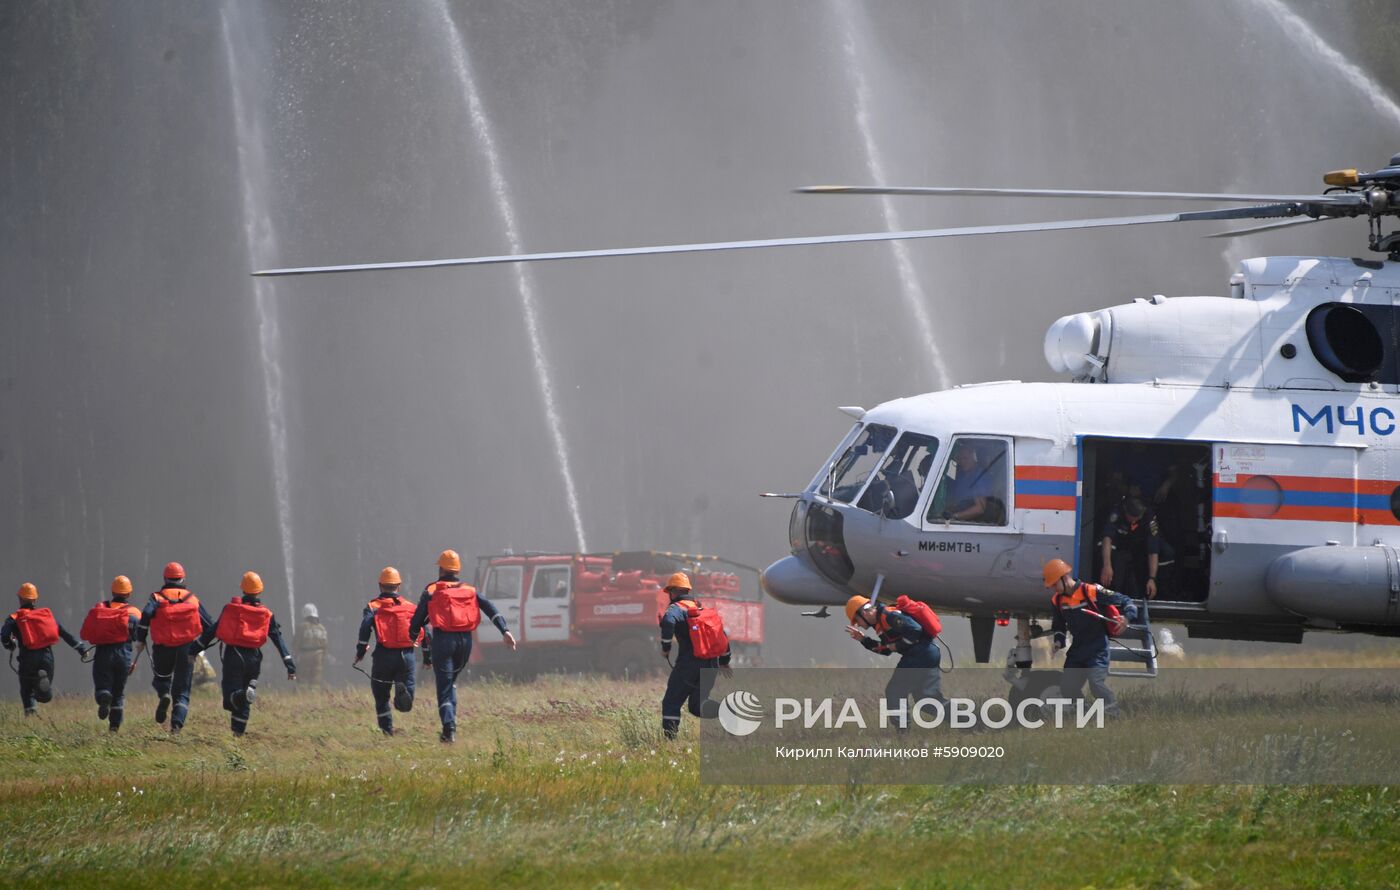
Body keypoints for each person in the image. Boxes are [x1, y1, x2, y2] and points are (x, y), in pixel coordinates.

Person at [408, 550, 516, 743]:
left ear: (441, 569)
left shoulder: (432, 591)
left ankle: (448, 729)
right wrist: (505, 630)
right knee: (451, 683)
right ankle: (452, 724)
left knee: (444, 687)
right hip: (465, 643)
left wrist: (413, 636)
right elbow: (490, 607)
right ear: (457, 569)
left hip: (443, 642)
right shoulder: (470, 590)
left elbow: (417, 621)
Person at [192, 571, 295, 736]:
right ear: (260, 590)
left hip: (234, 655)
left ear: (243, 589)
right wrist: (289, 664)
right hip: (255, 659)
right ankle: (237, 736)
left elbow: (211, 632)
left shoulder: (232, 609)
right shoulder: (267, 614)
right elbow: (278, 639)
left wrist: (193, 650)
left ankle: (241, 697)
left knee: (230, 698)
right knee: (246, 699)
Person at [1044, 558, 1138, 718]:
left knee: (1096, 685)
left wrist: (1127, 617)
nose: (1053, 588)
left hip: (1097, 648)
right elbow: (1059, 625)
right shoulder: (1057, 600)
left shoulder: (1091, 591)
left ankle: (1115, 714)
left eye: (1054, 584)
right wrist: (1058, 642)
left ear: (1065, 578)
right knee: (1068, 687)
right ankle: (1086, 711)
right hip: (1078, 650)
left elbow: (1125, 600)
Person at [132, 562, 215, 734]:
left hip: (162, 648)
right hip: (187, 650)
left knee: (161, 678)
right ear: (183, 578)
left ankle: (163, 694)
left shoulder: (156, 598)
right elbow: (210, 625)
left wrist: (141, 638)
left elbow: (146, 614)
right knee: (182, 691)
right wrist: (200, 645)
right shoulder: (192, 598)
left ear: (165, 578)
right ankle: (176, 726)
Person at [845, 594, 944, 728]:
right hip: (927, 653)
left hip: (920, 654)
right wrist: (864, 640)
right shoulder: (880, 623)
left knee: (895, 691)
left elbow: (915, 630)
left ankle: (902, 734)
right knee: (927, 701)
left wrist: (898, 646)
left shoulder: (888, 615)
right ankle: (972, 721)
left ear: (863, 613)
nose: (859, 626)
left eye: (857, 621)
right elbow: (886, 650)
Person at [659, 572, 731, 740]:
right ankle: (730, 712)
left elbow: (669, 622)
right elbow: (723, 636)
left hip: (688, 665)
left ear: (673, 592)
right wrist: (725, 661)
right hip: (711, 665)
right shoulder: (702, 610)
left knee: (671, 702)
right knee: (698, 706)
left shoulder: (676, 608)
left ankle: (670, 741)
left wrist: (666, 647)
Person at [2, 583, 89, 716]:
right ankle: (44, 690)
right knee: (44, 696)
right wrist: (81, 648)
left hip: (27, 657)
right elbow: (64, 633)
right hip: (46, 657)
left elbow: (4, 635)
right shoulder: (46, 616)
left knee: (26, 689)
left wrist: (9, 644)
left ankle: (30, 716)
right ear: (35, 599)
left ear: (20, 599)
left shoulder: (15, 618)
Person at [356, 566, 420, 736]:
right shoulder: (410, 607)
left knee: (381, 694)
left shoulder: (373, 606)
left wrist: (361, 651)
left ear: (380, 585)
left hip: (384, 656)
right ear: (398, 586)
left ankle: (387, 729)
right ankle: (404, 694)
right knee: (408, 685)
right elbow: (425, 631)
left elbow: (365, 629)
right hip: (407, 655)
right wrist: (427, 655)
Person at [79, 575, 142, 731]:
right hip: (124, 654)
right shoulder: (134, 613)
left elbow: (86, 632)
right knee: (119, 693)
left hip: (103, 653)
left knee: (102, 685)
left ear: (112, 591)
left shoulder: (101, 609)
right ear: (129, 593)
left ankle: (103, 696)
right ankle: (114, 727)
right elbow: (137, 637)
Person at [1100, 496, 1174, 599]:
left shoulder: (1149, 517)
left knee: (1167, 552)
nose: (1133, 522)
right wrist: (1107, 566)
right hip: (1122, 545)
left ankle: (1161, 593)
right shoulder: (1117, 512)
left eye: (1137, 519)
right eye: (1131, 519)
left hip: (1142, 546)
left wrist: (1152, 578)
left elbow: (1153, 550)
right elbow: (1107, 538)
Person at [936, 440, 999, 523]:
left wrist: (955, 516)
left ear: (974, 458)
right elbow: (957, 502)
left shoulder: (979, 476)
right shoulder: (962, 475)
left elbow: (980, 508)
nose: (962, 462)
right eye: (960, 459)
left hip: (973, 522)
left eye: (966, 458)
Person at [294, 603, 328, 690]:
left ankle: (303, 696)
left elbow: (296, 643)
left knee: (303, 678)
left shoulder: (302, 627)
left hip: (305, 655)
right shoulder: (322, 628)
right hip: (318, 656)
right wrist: (323, 657)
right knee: (316, 679)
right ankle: (314, 696)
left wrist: (295, 655)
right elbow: (325, 645)